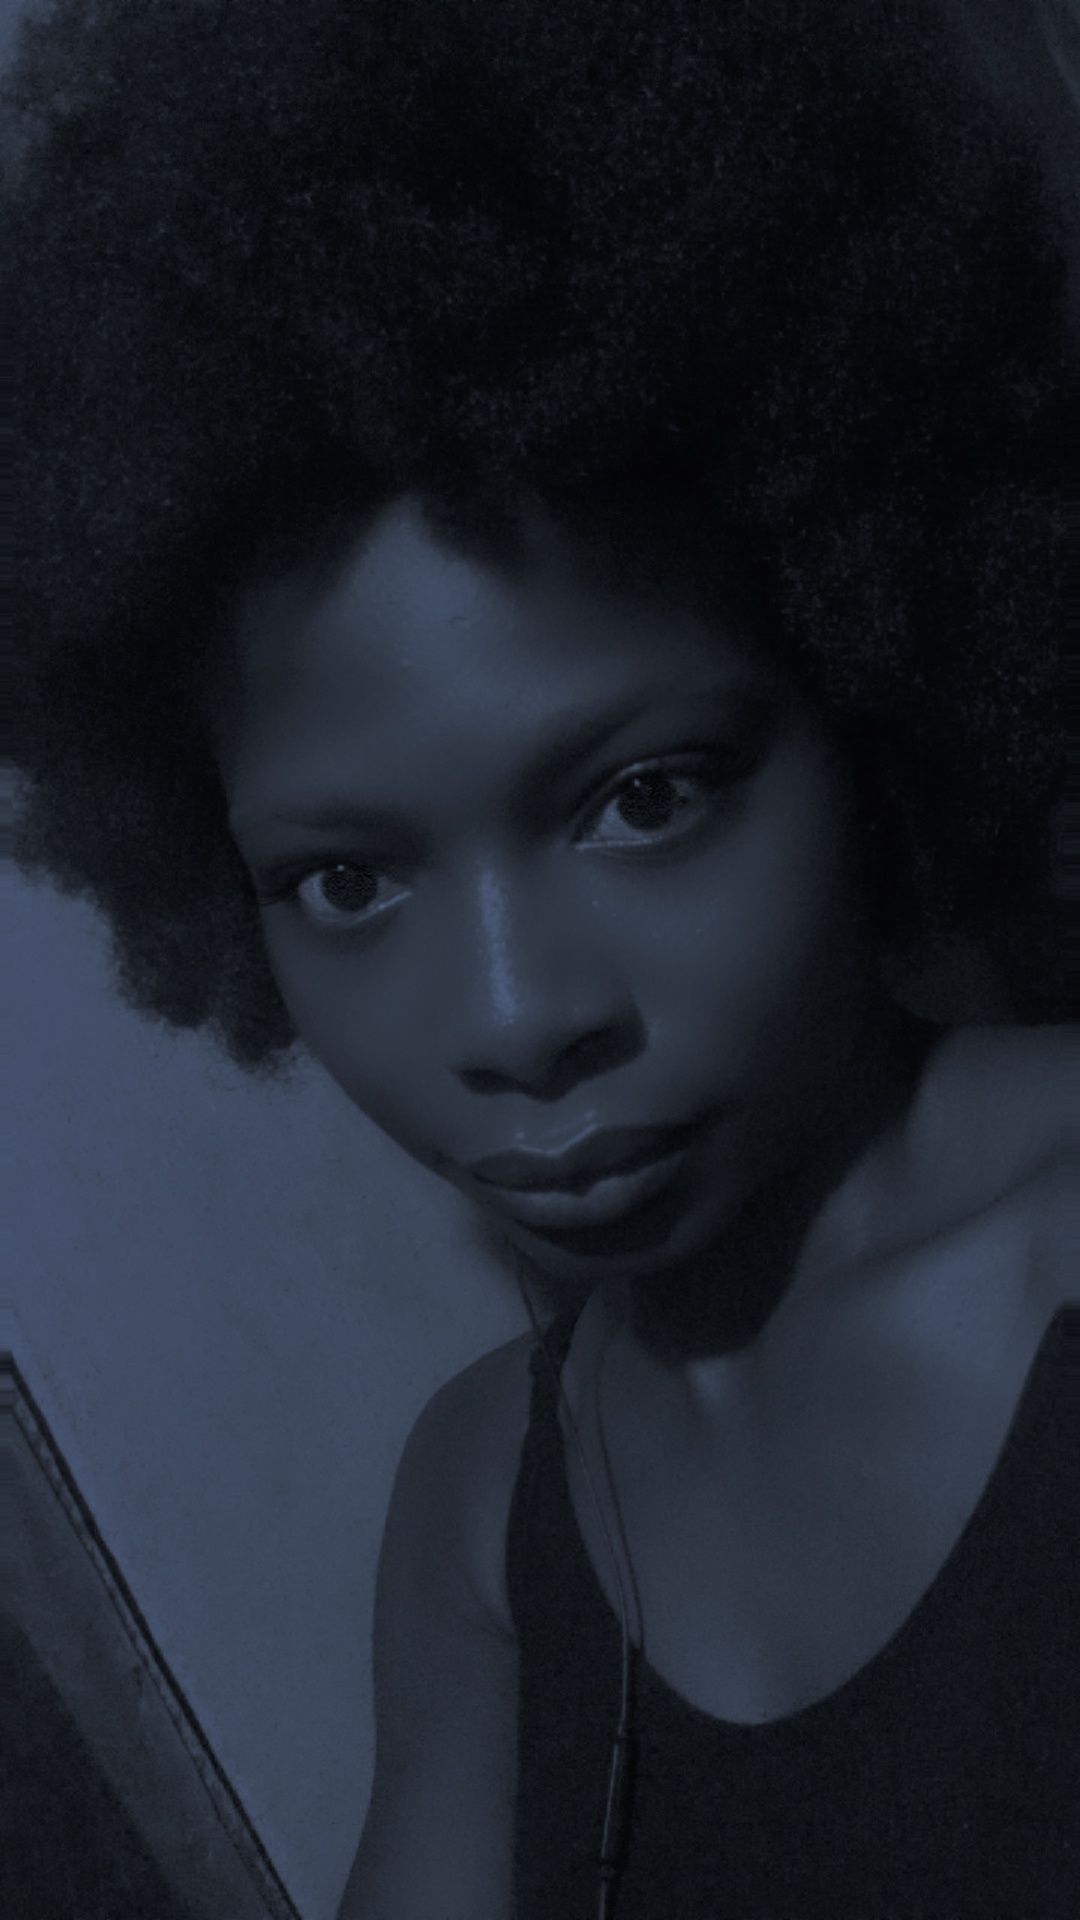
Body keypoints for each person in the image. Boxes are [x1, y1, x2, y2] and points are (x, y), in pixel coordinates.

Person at [7, 2, 1075, 1915]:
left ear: (869, 684)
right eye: (347, 881)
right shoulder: (483, 1503)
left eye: (646, 797)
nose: (514, 1017)